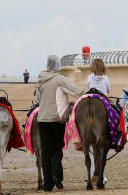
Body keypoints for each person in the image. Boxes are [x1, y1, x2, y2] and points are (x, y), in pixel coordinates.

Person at [37, 55, 83, 192]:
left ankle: (47, 185)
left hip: (42, 120)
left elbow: (38, 98)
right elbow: (77, 92)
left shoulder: (41, 80)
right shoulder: (61, 79)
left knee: (45, 151)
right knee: (57, 148)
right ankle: (57, 175)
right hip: (57, 120)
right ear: (58, 65)